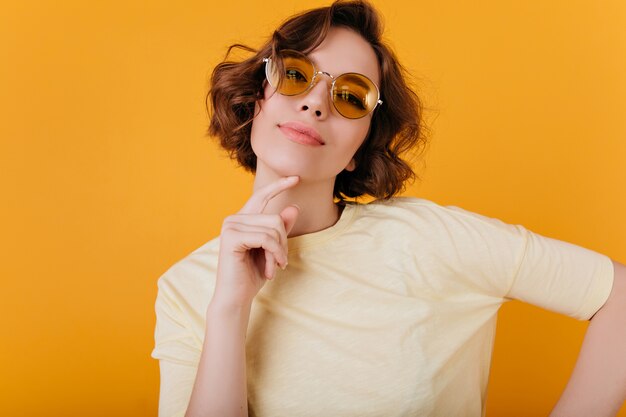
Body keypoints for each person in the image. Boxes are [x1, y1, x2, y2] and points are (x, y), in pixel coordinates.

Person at [151, 1, 626, 416]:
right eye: (295, 74)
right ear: (256, 99)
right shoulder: (184, 289)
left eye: (350, 97)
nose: (316, 103)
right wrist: (230, 308)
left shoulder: (428, 239)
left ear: (360, 146)